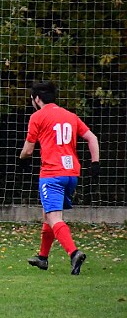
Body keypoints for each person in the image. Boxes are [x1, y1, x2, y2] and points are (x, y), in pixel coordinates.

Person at [17, 80, 100, 275]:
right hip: (71, 174)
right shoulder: (70, 116)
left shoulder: (38, 116)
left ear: (37, 99)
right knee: (48, 215)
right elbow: (92, 138)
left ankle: (74, 253)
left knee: (54, 217)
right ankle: (43, 257)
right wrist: (95, 163)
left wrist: (21, 159)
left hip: (52, 174)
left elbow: (28, 150)